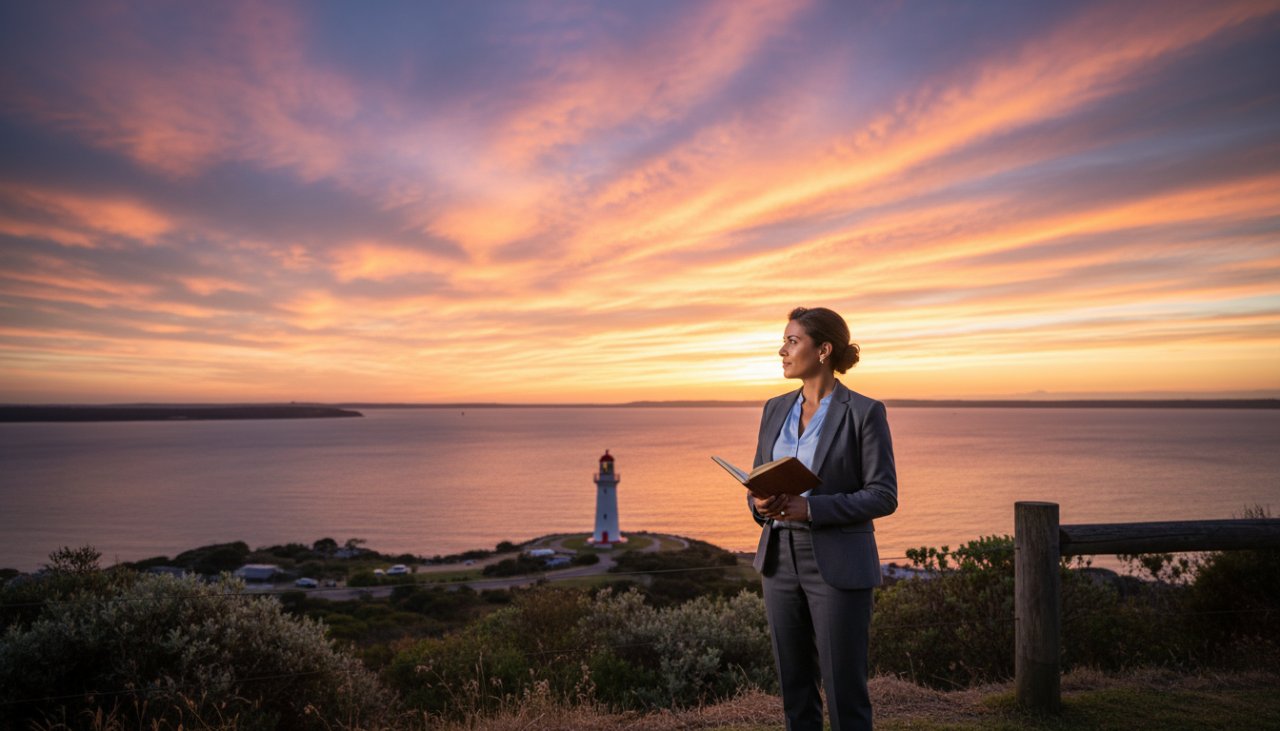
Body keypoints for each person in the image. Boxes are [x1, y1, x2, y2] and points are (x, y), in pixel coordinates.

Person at [748, 306, 898, 731]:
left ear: (824, 350)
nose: (782, 350)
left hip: (836, 563)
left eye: (793, 341)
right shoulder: (774, 408)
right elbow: (759, 476)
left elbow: (883, 495)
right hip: (778, 559)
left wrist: (812, 508)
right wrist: (758, 506)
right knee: (795, 690)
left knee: (844, 692)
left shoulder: (864, 412)